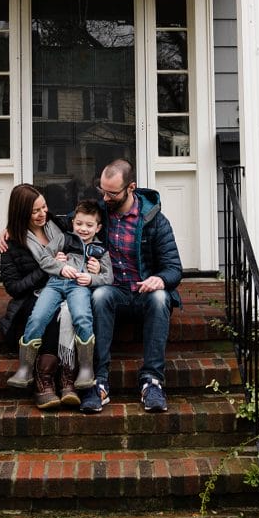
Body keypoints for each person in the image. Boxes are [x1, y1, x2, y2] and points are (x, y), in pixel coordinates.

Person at [84, 158, 182, 414]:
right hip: (115, 291)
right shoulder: (101, 212)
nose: (105, 198)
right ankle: (100, 381)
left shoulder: (155, 221)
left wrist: (159, 279)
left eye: (112, 193)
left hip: (144, 293)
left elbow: (174, 268)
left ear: (131, 187)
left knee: (162, 298)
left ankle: (152, 382)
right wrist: (14, 230)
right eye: (102, 190)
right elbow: (67, 223)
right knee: (100, 294)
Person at [0, 184, 89, 410]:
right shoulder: (11, 243)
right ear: (21, 213)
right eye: (35, 211)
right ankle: (44, 379)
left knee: (69, 309)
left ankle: (67, 376)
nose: (42, 214)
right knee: (51, 310)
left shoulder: (57, 224)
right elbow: (14, 288)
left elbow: (88, 224)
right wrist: (48, 268)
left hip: (66, 287)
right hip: (32, 296)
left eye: (44, 207)